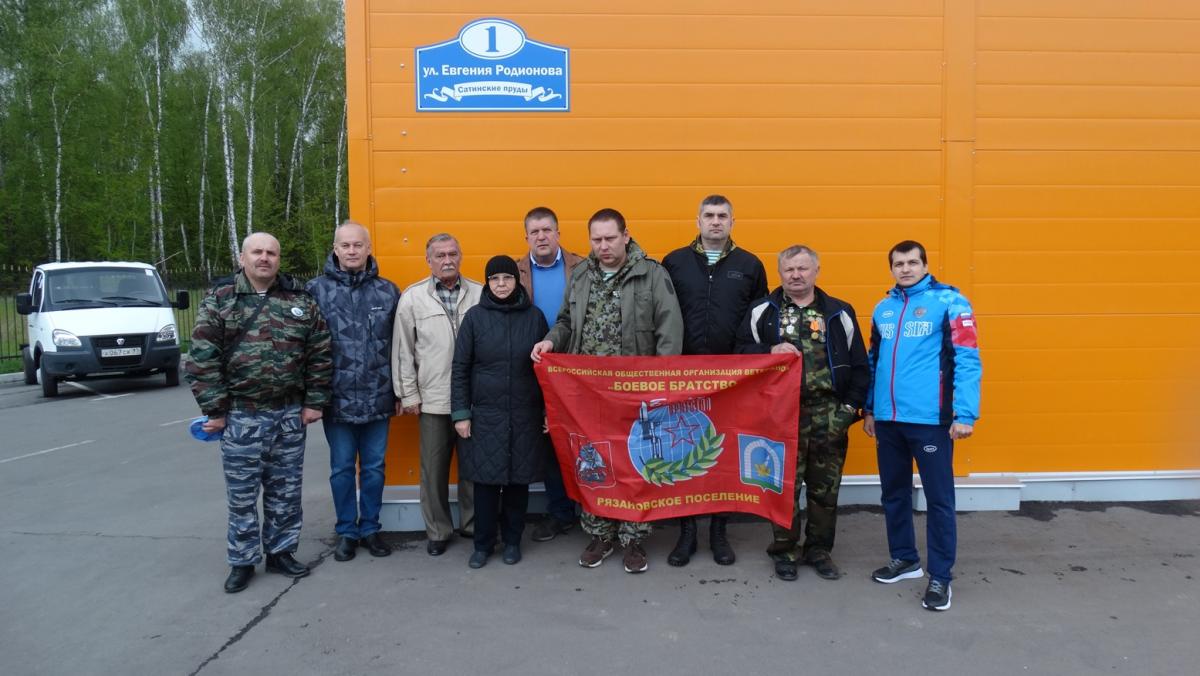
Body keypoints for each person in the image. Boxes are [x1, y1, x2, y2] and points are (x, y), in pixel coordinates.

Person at [531, 208, 683, 574]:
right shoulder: (582, 274)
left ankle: (634, 539)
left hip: (635, 392)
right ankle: (600, 533)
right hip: (590, 394)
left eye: (610, 238)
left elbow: (669, 330)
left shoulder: (652, 274)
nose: (603, 246)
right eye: (596, 239)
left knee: (635, 462)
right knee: (594, 460)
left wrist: (661, 386)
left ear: (626, 236)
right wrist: (551, 341)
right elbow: (566, 321)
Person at [185, 232, 332, 594]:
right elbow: (202, 359)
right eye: (257, 252)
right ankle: (243, 560)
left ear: (279, 259)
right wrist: (215, 410)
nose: (264, 258)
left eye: (271, 253)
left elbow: (319, 351)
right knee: (242, 495)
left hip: (288, 414)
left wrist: (314, 401)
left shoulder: (299, 300)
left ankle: (281, 552)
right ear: (242, 257)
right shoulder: (221, 300)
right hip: (241, 415)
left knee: (286, 490)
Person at [735, 245, 869, 582]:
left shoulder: (838, 312)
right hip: (779, 416)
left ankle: (819, 550)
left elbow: (859, 365)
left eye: (803, 268)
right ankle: (785, 551)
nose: (796, 275)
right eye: (789, 269)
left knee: (825, 491)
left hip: (828, 415)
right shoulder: (762, 311)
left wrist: (849, 409)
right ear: (780, 273)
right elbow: (739, 354)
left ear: (816, 270)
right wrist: (769, 349)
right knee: (782, 489)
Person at [863, 240, 981, 612]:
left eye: (913, 262)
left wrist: (965, 414)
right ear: (891, 268)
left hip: (931, 421)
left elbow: (967, 358)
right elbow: (873, 361)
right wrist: (870, 409)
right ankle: (904, 559)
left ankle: (941, 577)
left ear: (925, 265)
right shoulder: (882, 309)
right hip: (888, 421)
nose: (906, 269)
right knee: (893, 494)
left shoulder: (950, 303)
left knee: (939, 500)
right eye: (898, 263)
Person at [661, 194, 768, 567]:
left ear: (733, 222)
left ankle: (719, 531)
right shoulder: (674, 262)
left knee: (723, 453)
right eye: (709, 215)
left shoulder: (750, 265)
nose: (716, 221)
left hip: (731, 379)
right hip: (683, 375)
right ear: (698, 221)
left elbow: (760, 320)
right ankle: (687, 532)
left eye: (723, 215)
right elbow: (661, 313)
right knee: (684, 451)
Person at [306, 221, 401, 562]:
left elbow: (400, 346)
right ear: (335, 249)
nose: (351, 251)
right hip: (337, 400)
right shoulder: (315, 291)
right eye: (345, 245)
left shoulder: (388, 292)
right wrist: (312, 396)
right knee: (342, 469)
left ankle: (371, 528)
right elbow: (307, 347)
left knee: (374, 468)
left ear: (368, 248)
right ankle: (347, 530)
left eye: (358, 245)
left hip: (378, 395)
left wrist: (400, 391)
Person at [451, 255, 551, 568]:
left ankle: (512, 542)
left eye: (507, 278)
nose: (501, 284)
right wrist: (461, 414)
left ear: (516, 281)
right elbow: (460, 368)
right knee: (485, 484)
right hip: (486, 415)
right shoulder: (474, 318)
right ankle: (482, 545)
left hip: (524, 413)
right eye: (495, 279)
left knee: (518, 483)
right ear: (487, 283)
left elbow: (546, 370)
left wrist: (547, 411)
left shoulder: (534, 317)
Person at [392, 234, 482, 556]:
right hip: (434, 399)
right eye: (440, 255)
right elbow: (403, 350)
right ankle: (438, 531)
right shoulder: (413, 298)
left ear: (460, 256)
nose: (447, 260)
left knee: (474, 468)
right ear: (428, 260)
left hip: (474, 398)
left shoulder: (480, 293)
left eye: (452, 253)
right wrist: (408, 394)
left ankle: (473, 524)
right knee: (433, 471)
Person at [514, 206, 584, 543]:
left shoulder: (582, 268)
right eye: (535, 232)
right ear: (526, 236)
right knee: (549, 442)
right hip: (533, 369)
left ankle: (596, 509)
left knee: (585, 439)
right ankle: (560, 512)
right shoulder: (515, 273)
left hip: (577, 369)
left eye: (547, 230)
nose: (541, 237)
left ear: (558, 233)